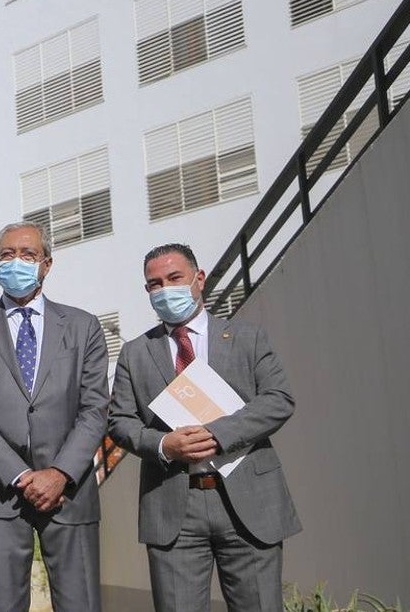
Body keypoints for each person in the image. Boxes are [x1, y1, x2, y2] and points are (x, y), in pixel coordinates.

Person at [108, 243, 300, 612]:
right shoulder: (135, 352)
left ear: (199, 279)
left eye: (174, 278)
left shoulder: (247, 338)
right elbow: (120, 422)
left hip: (248, 502)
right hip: (173, 507)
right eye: (154, 284)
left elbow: (278, 399)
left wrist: (219, 433)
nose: (164, 289)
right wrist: (164, 444)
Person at [0, 221, 109, 612]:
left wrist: (59, 472)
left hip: (68, 490)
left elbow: (95, 408)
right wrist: (19, 475)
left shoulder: (83, 325)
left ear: (46, 264)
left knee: (81, 602)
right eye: (7, 255)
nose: (16, 262)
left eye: (27, 255)